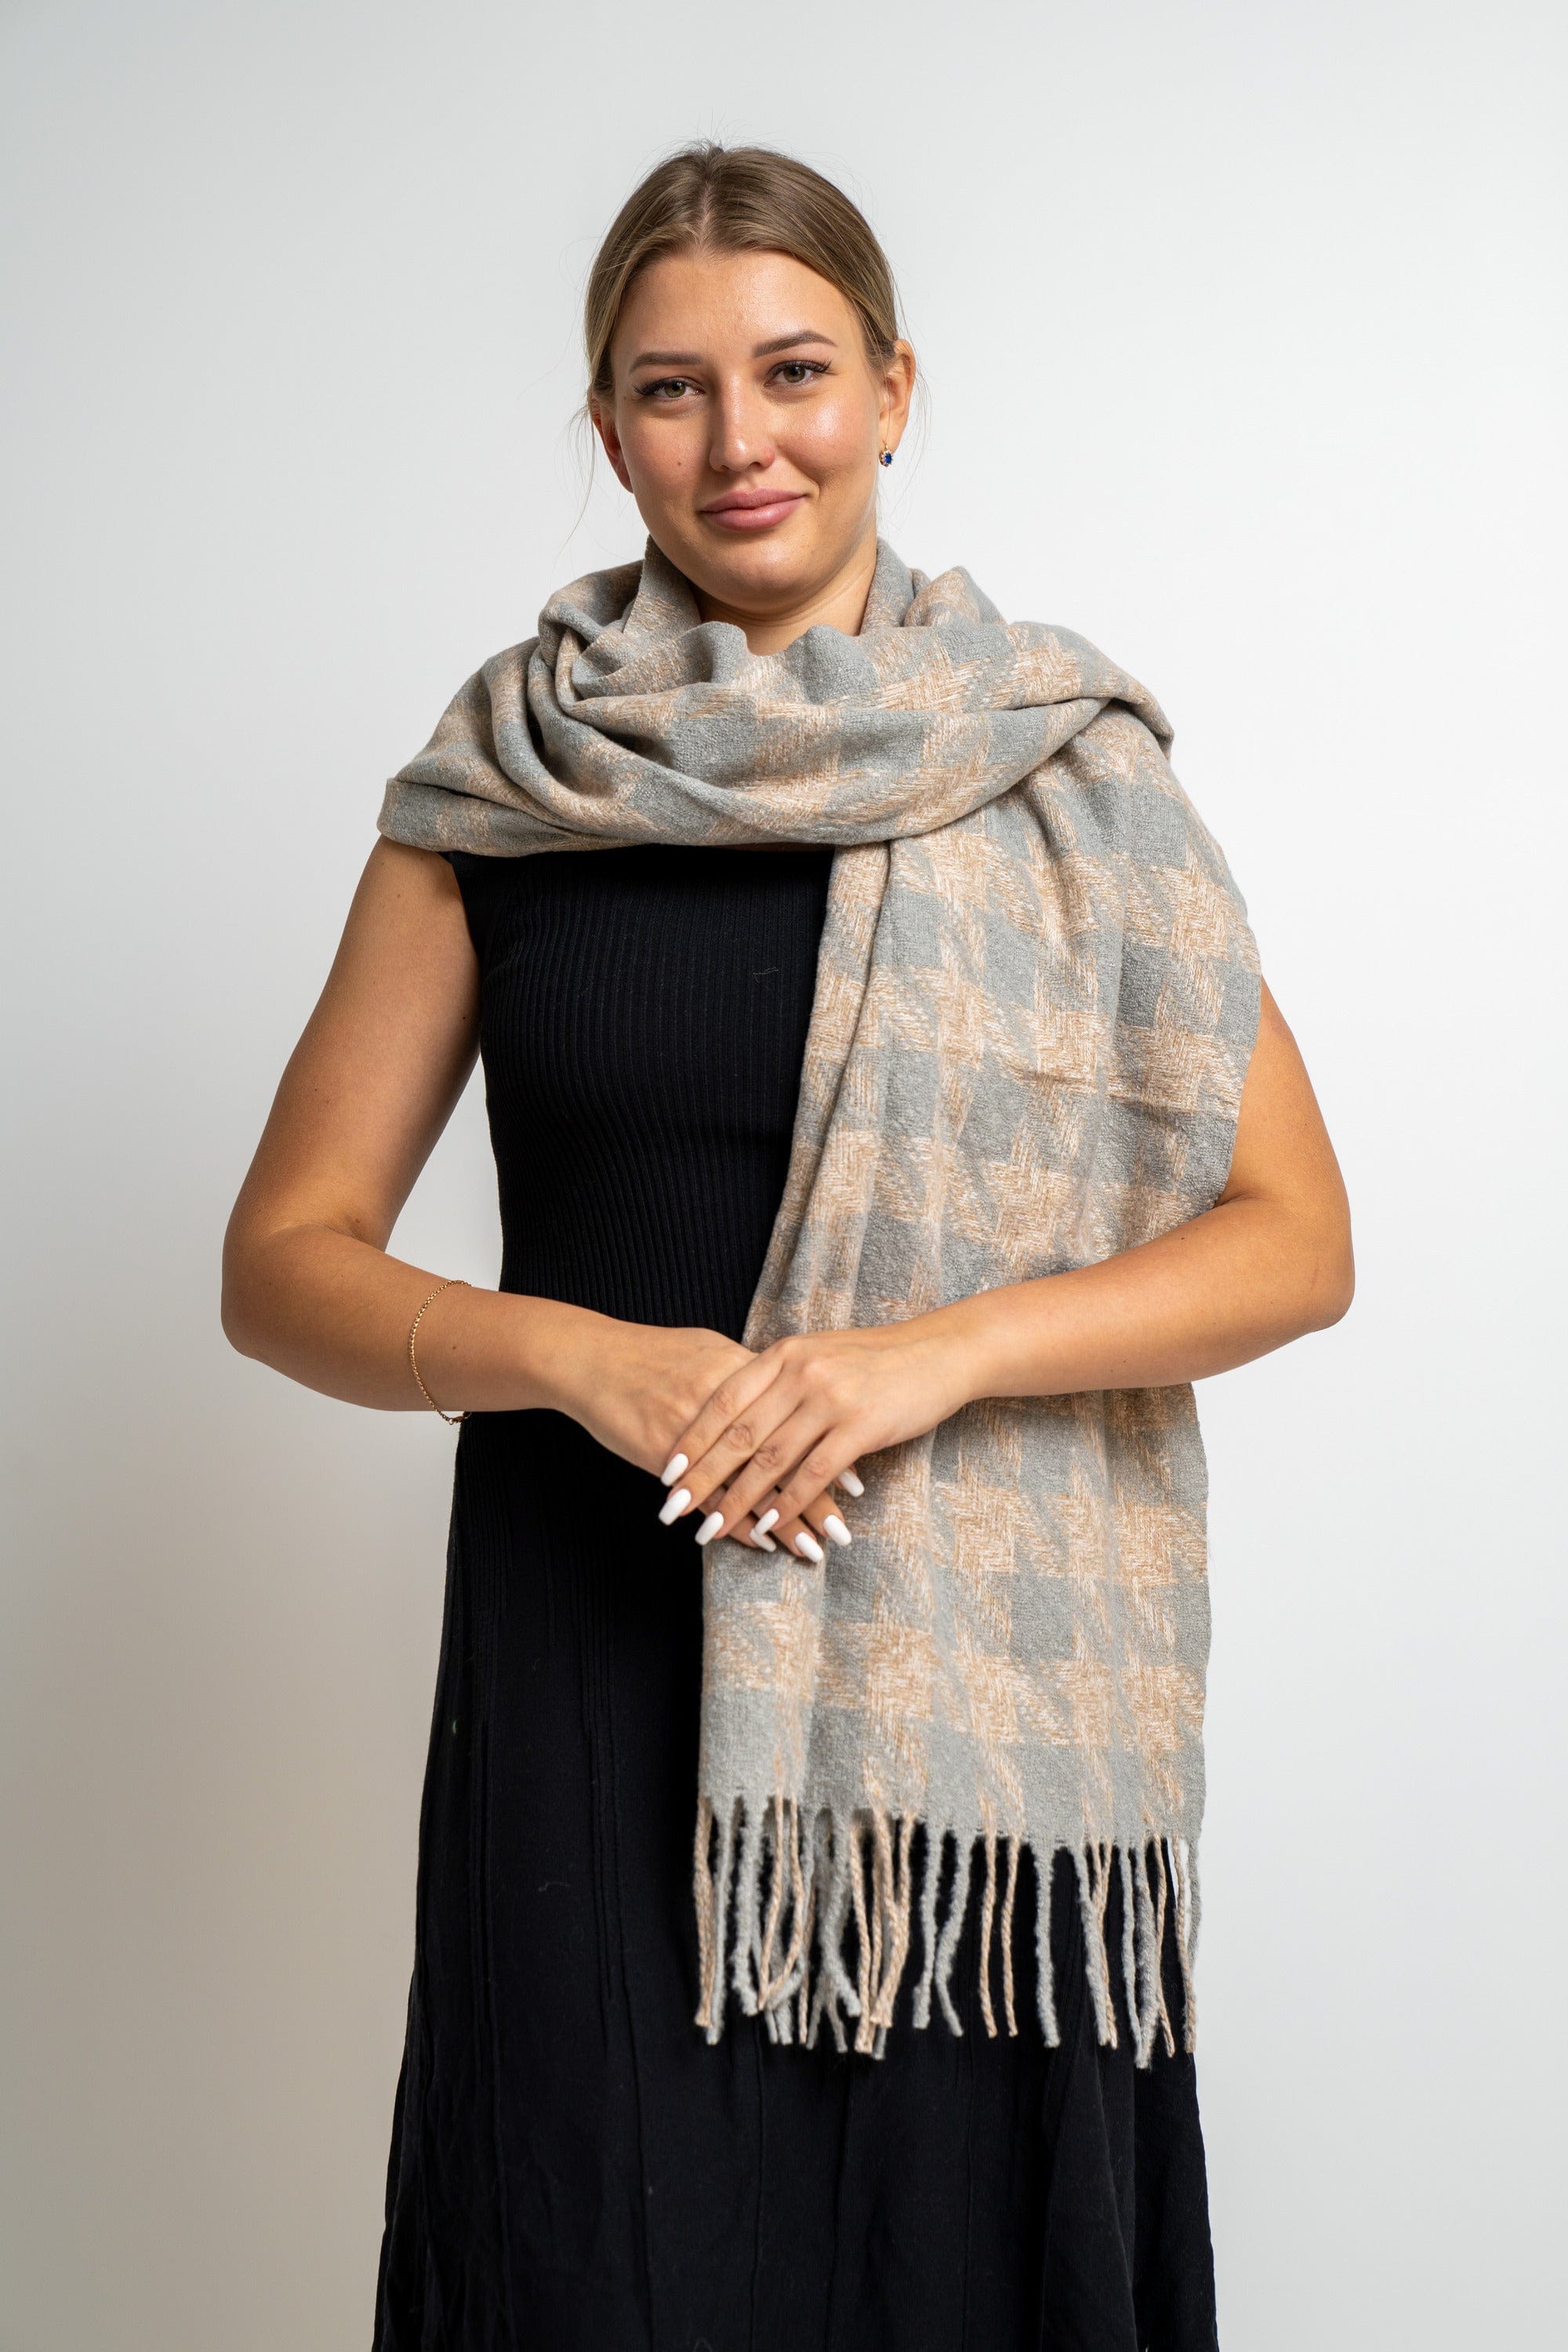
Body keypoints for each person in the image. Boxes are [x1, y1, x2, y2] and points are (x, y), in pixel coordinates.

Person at [222, 140, 1352, 2352]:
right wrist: (575, 1356)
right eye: (673, 389)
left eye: (797, 371)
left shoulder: (1064, 774)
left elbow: (1295, 1237)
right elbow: (286, 1259)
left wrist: (929, 1357)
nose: (742, 440)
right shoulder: (512, 779)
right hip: (591, 1651)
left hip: (967, 1736)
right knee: (593, 2265)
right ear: (607, 426)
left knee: (957, 2273)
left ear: (895, 389)